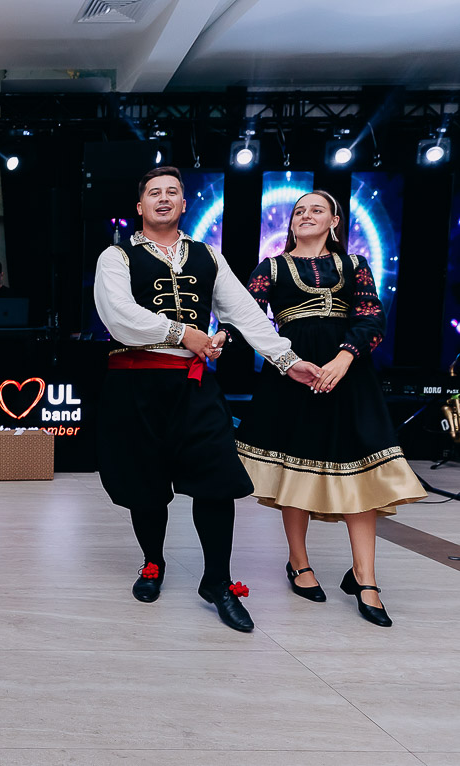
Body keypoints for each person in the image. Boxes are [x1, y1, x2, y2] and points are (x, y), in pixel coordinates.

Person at [93, 166, 322, 632]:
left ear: (183, 204)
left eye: (171, 192)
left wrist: (288, 360)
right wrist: (185, 334)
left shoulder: (207, 255)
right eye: (153, 192)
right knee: (145, 482)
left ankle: (217, 581)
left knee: (217, 479)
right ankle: (152, 562)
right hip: (136, 384)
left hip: (194, 385)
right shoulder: (116, 256)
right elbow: (119, 316)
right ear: (140, 206)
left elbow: (245, 313)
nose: (162, 198)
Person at [236, 190, 425, 627]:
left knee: (362, 473)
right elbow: (247, 317)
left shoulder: (355, 264)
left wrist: (343, 358)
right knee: (295, 469)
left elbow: (372, 317)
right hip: (292, 376)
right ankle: (298, 562)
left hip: (349, 375)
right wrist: (279, 358)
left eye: (316, 210)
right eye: (299, 211)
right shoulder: (271, 268)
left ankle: (365, 577)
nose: (306, 215)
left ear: (334, 221)